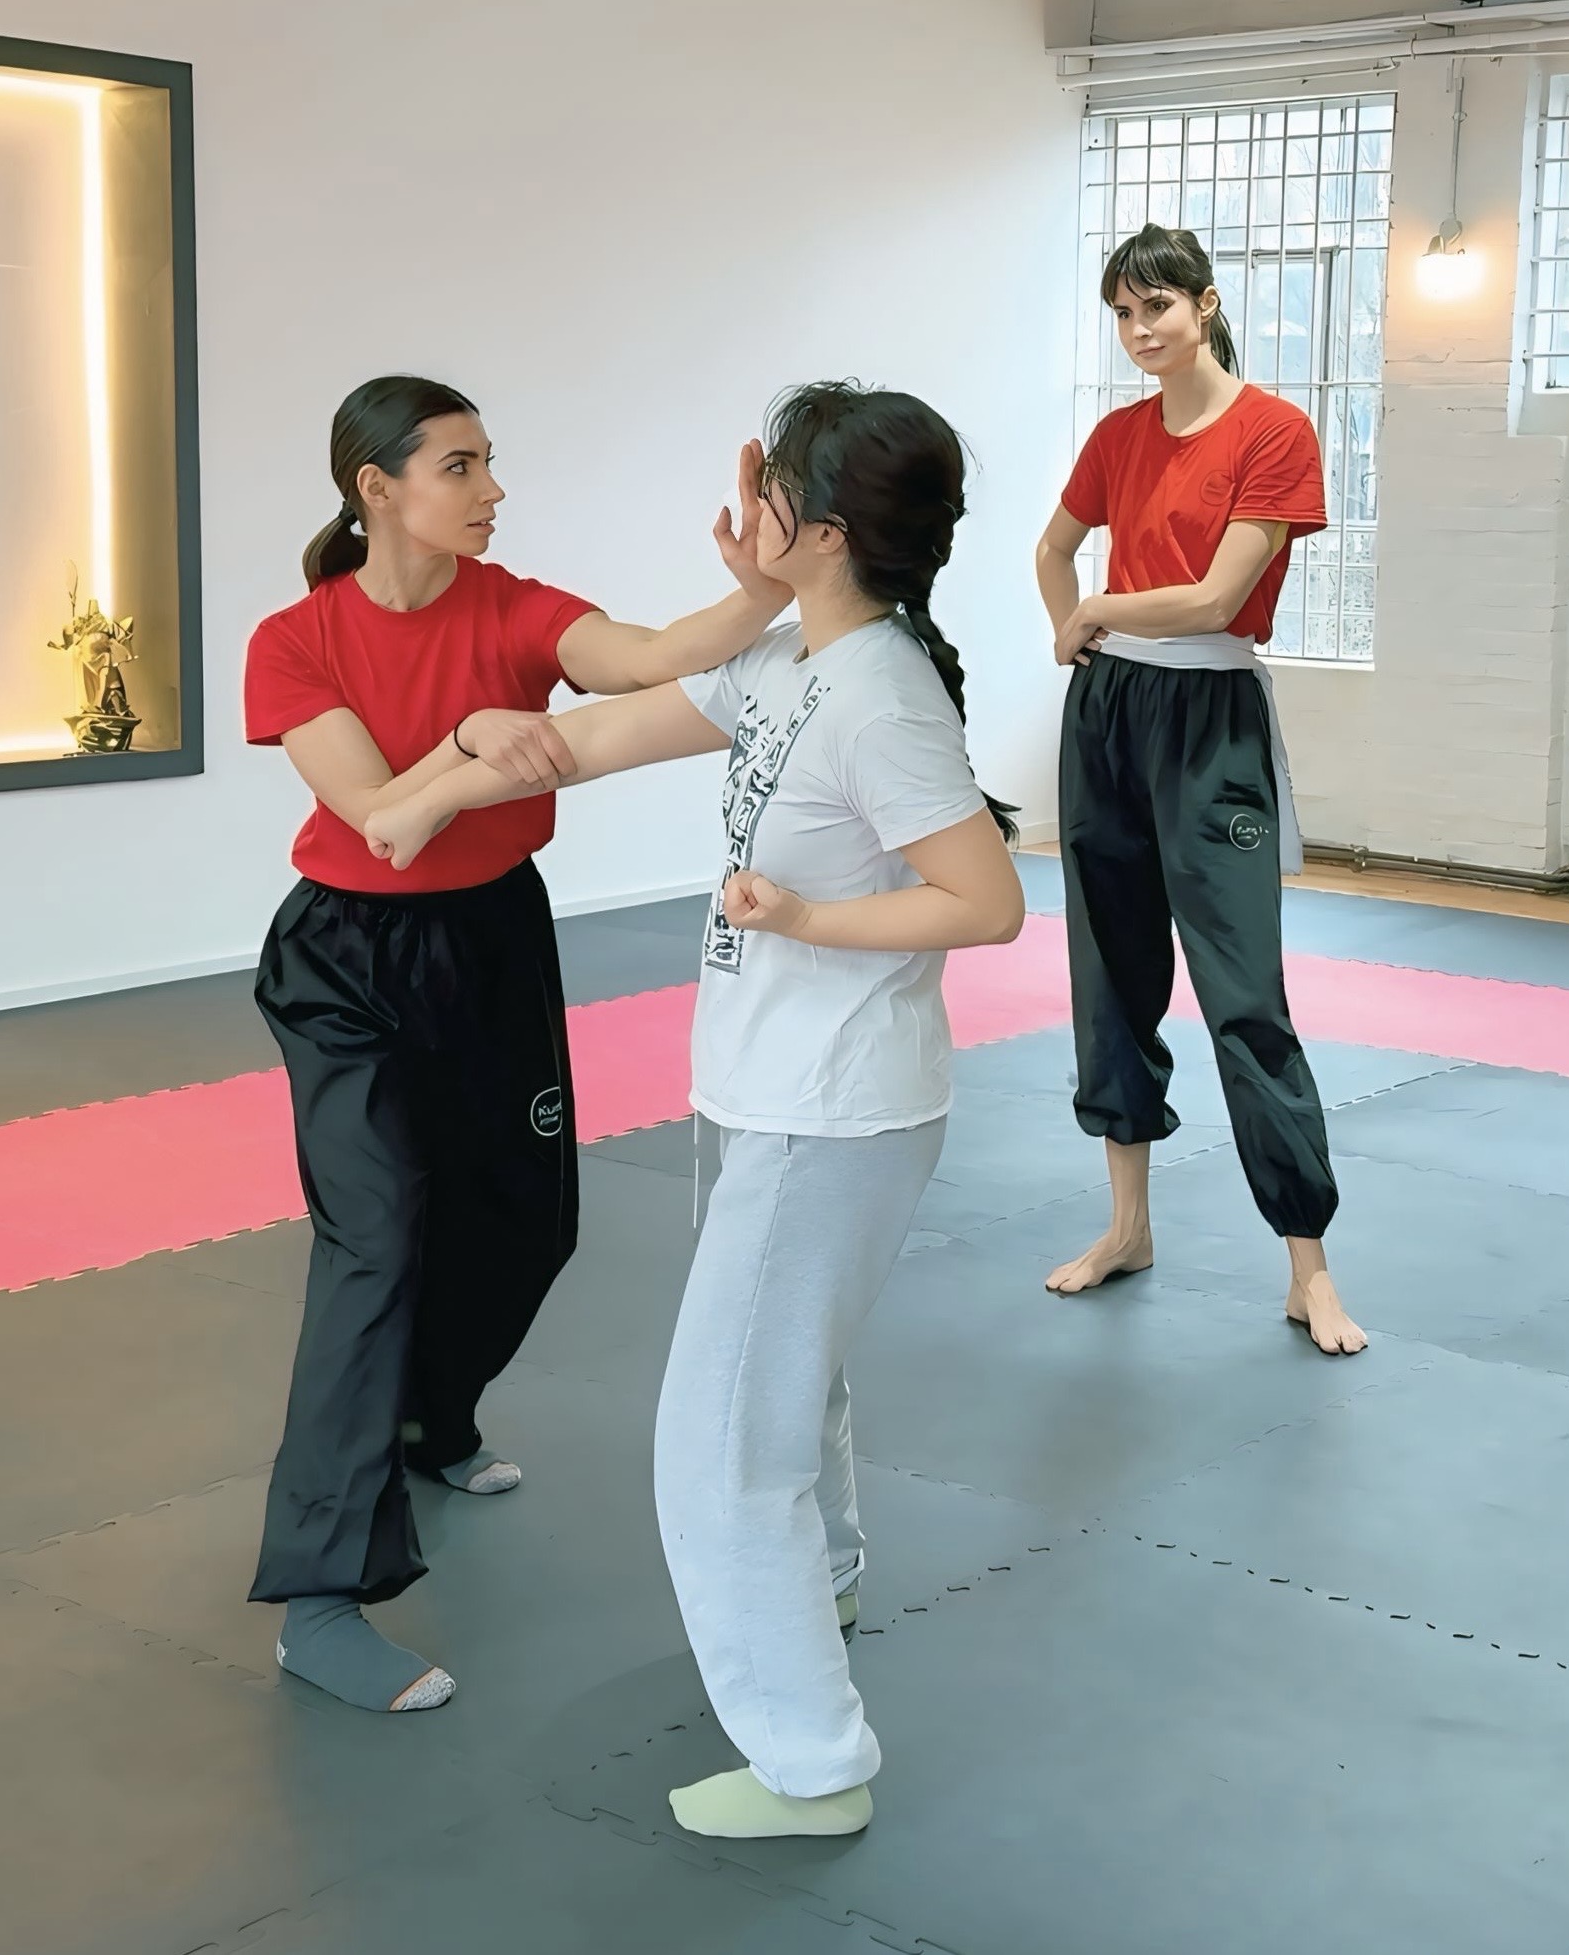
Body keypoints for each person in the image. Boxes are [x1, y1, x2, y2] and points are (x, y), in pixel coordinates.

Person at [367, 380, 1025, 1834]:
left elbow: (984, 903)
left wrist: (794, 910)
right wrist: (457, 767)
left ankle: (810, 1763)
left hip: (831, 1111)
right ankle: (829, 1590)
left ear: (827, 527)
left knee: (720, 1436)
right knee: (798, 1385)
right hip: (758, 1089)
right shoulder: (790, 656)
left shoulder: (882, 694)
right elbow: (595, 735)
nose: (743, 504)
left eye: (769, 484)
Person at [244, 374, 789, 1713]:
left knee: (526, 1217)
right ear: (378, 490)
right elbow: (375, 812)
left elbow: (656, 650)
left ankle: (432, 1415)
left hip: (490, 939)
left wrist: (765, 588)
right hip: (346, 961)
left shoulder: (522, 608)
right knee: (374, 1240)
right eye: (461, 464)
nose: (492, 487)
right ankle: (320, 1593)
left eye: (490, 462)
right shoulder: (294, 637)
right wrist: (469, 731)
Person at [1033, 224, 1365, 1355]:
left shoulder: (1272, 429)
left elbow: (1222, 596)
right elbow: (1052, 548)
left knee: (1241, 989)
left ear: (1206, 305)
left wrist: (1096, 612)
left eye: (1158, 308)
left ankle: (1305, 1263)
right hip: (1108, 715)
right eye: (1122, 314)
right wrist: (1070, 631)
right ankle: (1126, 1224)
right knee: (1109, 974)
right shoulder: (1117, 433)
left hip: (1207, 718)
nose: (1139, 332)